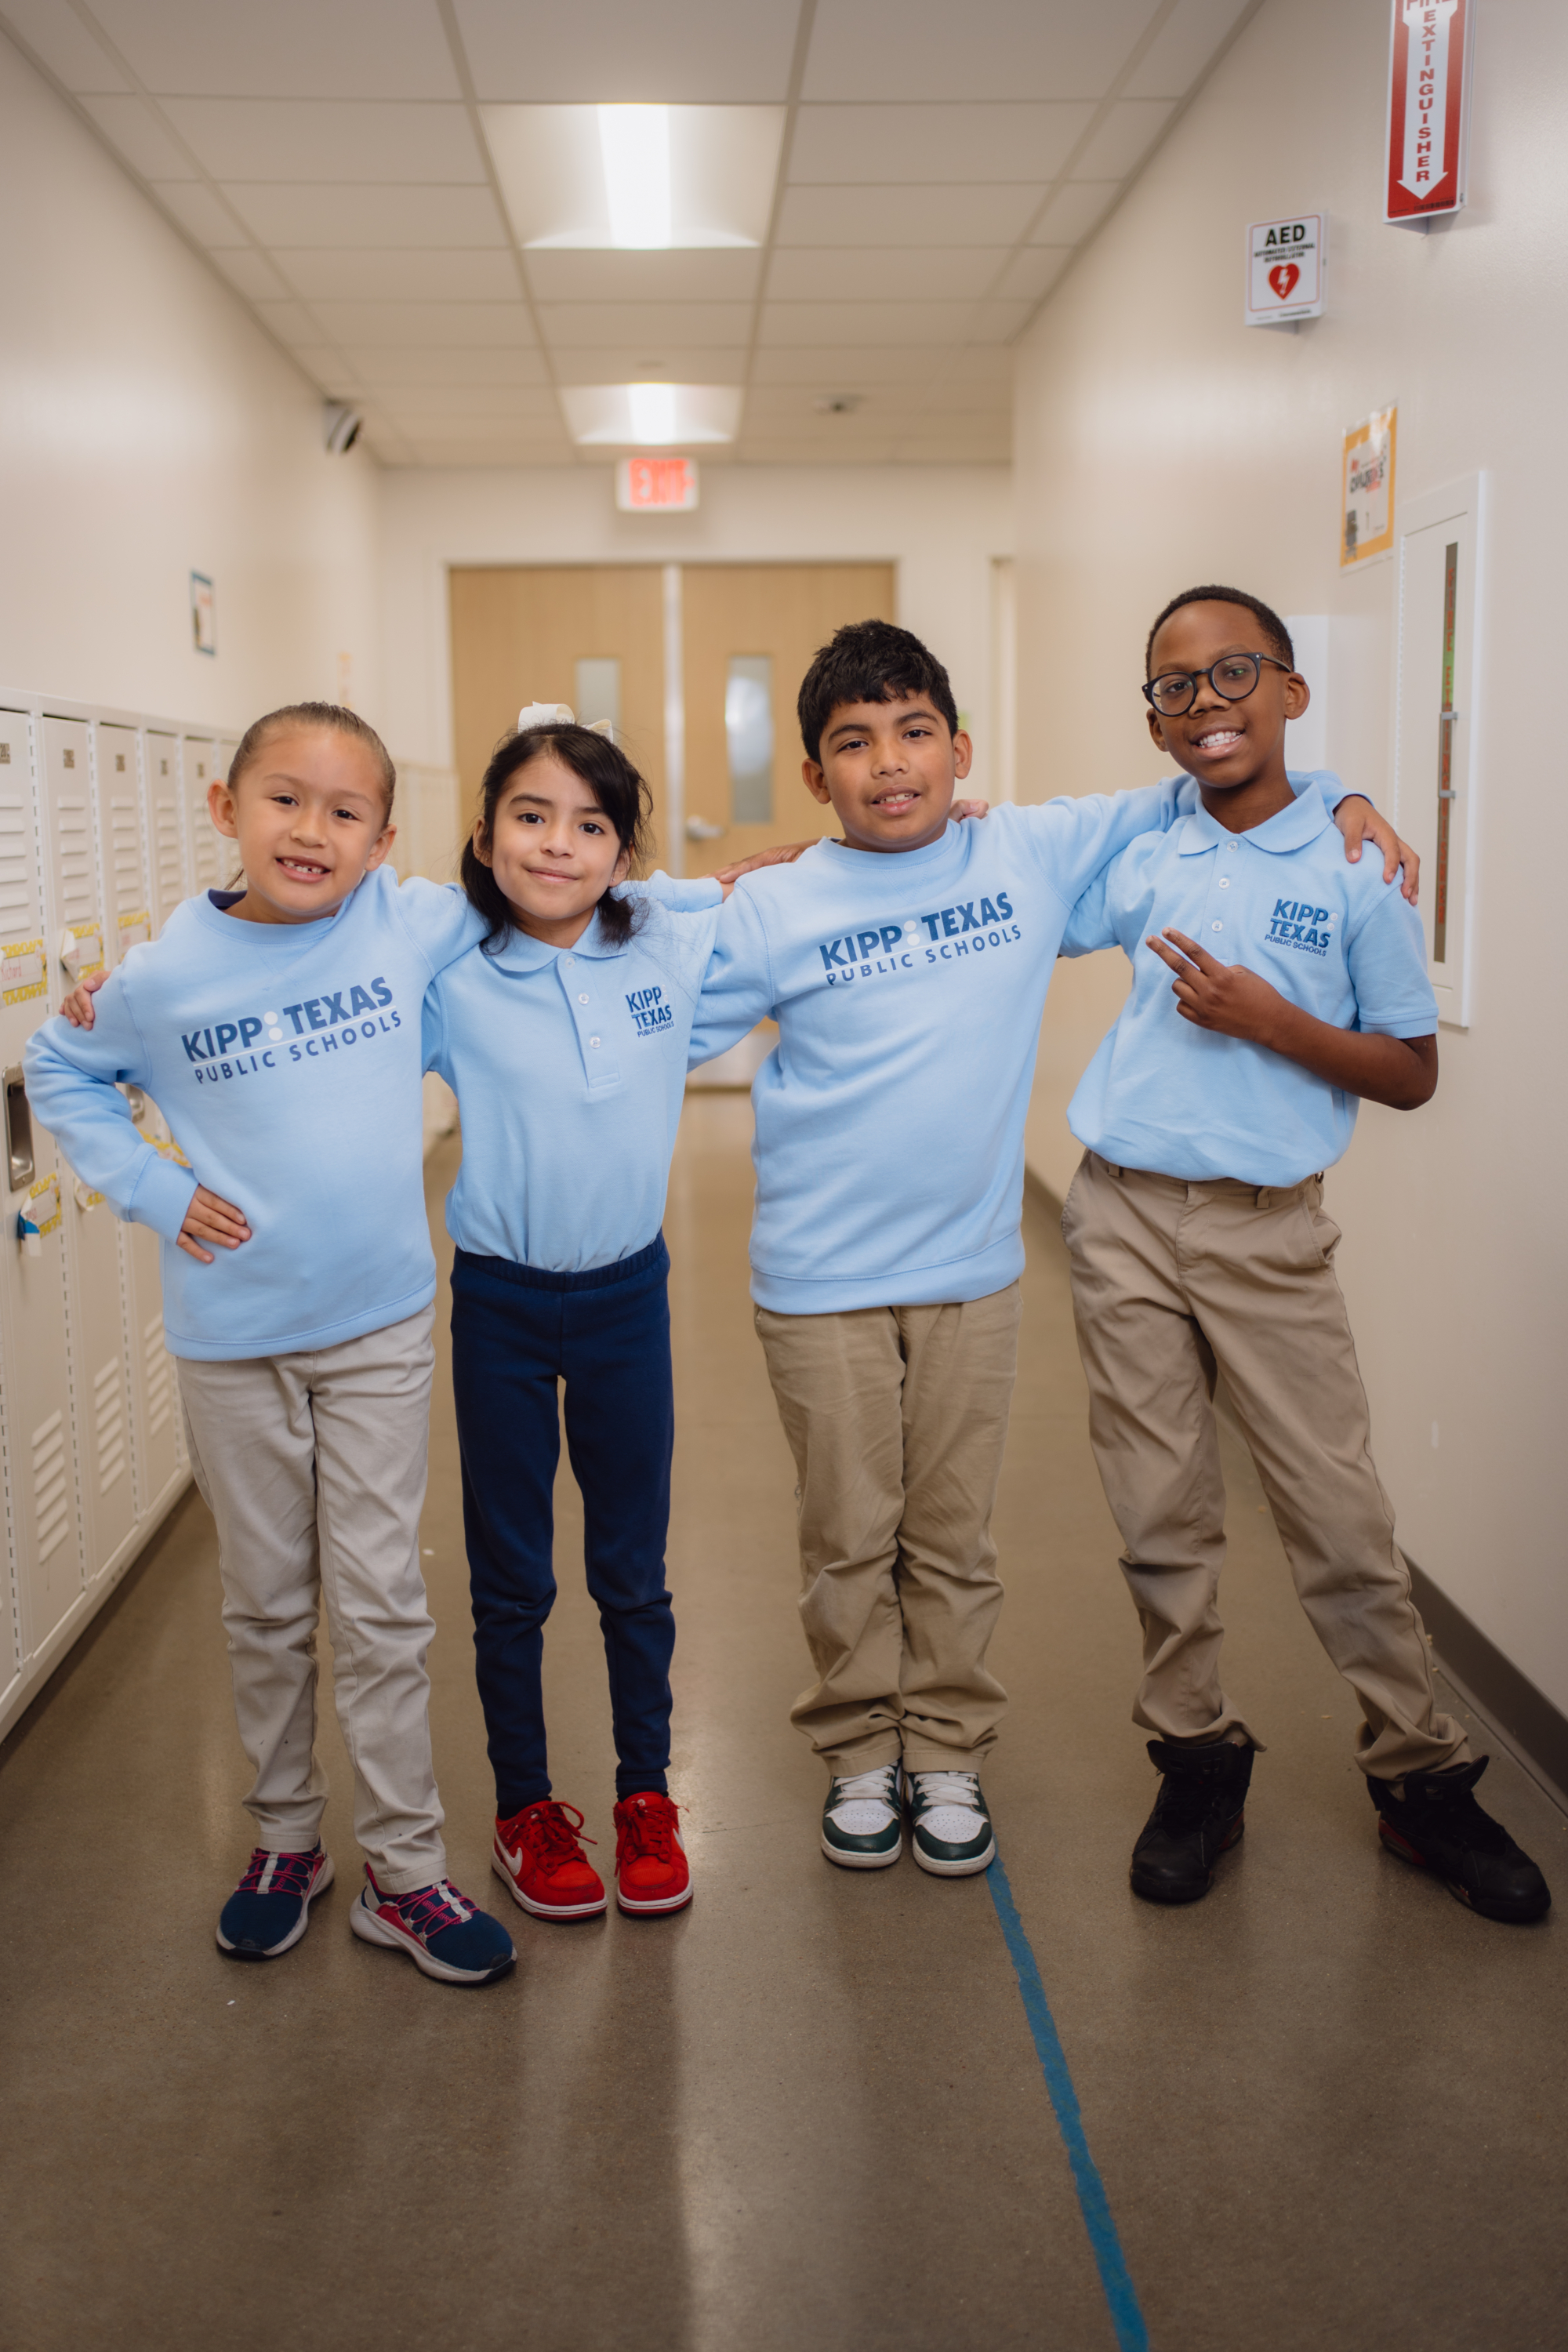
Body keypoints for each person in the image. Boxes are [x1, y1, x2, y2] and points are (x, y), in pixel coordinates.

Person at [688, 619, 1410, 1878]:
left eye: (915, 733)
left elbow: (1215, 766)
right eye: (852, 745)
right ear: (815, 776)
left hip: (973, 1270)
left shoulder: (1023, 849)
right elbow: (635, 986)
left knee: (956, 1536)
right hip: (818, 1281)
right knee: (848, 1533)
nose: (889, 763)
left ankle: (951, 1746)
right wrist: (706, 891)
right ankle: (863, 1749)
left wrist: (1350, 794)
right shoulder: (779, 904)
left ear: (960, 751)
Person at [1057, 584, 1549, 1924]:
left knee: (1339, 1517)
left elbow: (1409, 1072)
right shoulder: (1148, 837)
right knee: (1158, 1511)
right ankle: (1198, 1755)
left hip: (1265, 1233)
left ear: (1291, 691)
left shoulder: (1358, 866)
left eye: (1235, 676)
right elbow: (1001, 881)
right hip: (1117, 1216)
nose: (1207, 704)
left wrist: (1270, 1021)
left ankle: (1421, 1777)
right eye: (1176, 687)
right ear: (1154, 721)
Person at [27, 703, 522, 1984]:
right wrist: (150, 1189)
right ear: (225, 809)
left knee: (381, 1603)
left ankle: (404, 1871)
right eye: (285, 800)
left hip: (378, 1325)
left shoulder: (407, 920)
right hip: (230, 1335)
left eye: (345, 812)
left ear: (383, 840)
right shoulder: (156, 978)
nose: (312, 830)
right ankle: (286, 1841)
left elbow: (551, 872)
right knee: (265, 1604)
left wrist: (761, 882)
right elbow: (56, 1064)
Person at [426, 719, 731, 1925]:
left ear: (624, 848)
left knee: (631, 1571)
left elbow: (782, 884)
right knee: (511, 1580)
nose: (558, 845)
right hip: (500, 1302)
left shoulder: (660, 936)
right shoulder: (447, 961)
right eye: (531, 817)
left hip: (625, 1301)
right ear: (489, 831)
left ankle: (646, 1795)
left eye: (590, 824)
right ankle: (525, 1807)